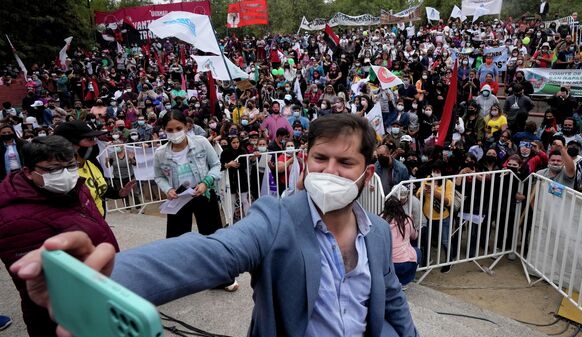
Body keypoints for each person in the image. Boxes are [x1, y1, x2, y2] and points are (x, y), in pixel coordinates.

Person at [11, 113, 419, 337]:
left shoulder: (378, 232)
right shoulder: (276, 217)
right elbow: (212, 252)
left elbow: (391, 300)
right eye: (319, 159)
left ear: (367, 175)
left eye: (344, 162)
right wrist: (108, 278)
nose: (329, 170)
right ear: (304, 162)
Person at [0, 135, 119, 337]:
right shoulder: (15, 219)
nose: (65, 174)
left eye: (71, 166)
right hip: (64, 317)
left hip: (101, 293)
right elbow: (49, 282)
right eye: (53, 169)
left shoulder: (77, 187)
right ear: (28, 171)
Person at [153, 110, 223, 239]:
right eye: (170, 130)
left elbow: (216, 164)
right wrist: (168, 189)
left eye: (178, 128)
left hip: (204, 193)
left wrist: (206, 182)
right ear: (164, 130)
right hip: (179, 197)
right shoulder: (160, 153)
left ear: (186, 126)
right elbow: (159, 176)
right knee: (177, 239)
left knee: (212, 235)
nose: (175, 133)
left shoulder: (201, 142)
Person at [54, 120, 136, 217]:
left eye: (94, 138)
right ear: (69, 145)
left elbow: (101, 187)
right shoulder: (58, 174)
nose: (94, 143)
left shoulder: (92, 162)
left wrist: (119, 193)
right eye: (89, 139)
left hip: (99, 221)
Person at [381, 196, 420, 288]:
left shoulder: (380, 219)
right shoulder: (407, 220)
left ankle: (390, 281)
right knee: (418, 252)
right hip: (404, 262)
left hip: (385, 263)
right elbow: (414, 236)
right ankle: (404, 281)